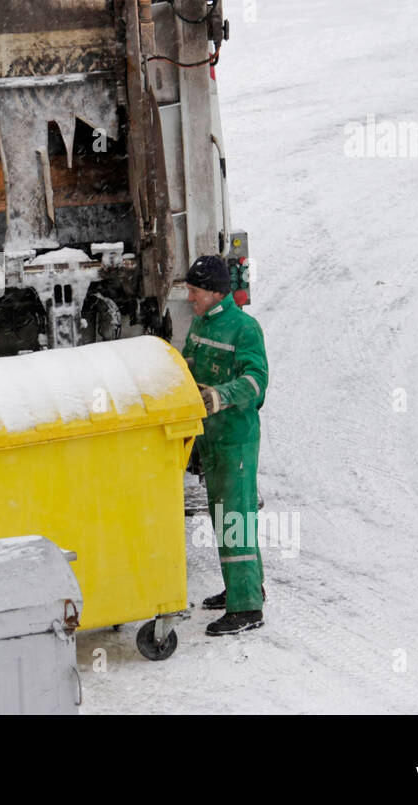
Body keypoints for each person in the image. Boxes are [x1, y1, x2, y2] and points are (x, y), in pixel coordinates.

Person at [180, 255, 269, 636]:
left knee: (236, 520)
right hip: (212, 438)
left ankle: (246, 609)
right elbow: (189, 365)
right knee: (223, 517)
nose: (189, 298)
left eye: (194, 291)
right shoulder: (202, 322)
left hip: (235, 439)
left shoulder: (245, 329)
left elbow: (256, 382)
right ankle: (245, 589)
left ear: (216, 292)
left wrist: (219, 396)